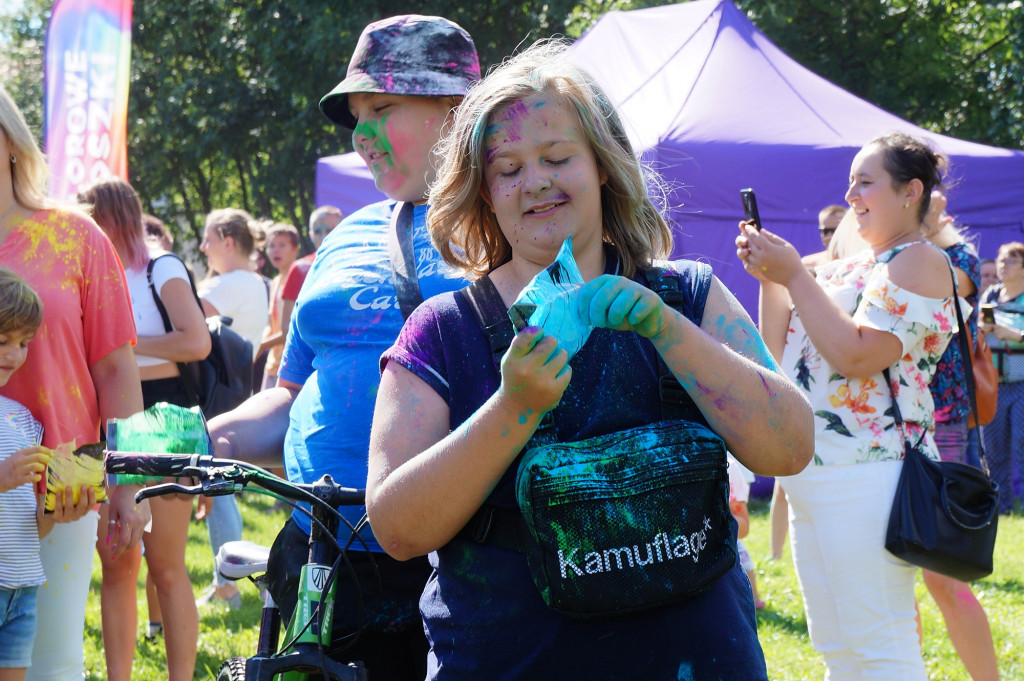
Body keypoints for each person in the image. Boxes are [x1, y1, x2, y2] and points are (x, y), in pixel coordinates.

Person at [366, 40, 812, 680]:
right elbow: (398, 529)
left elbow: (790, 448)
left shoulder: (688, 295)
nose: (537, 180)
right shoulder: (443, 330)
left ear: (602, 165)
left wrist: (666, 330)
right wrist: (512, 408)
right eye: (509, 169)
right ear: (484, 192)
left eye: (557, 157)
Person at [205, 15, 482, 678]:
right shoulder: (347, 236)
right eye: (355, 116)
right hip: (316, 554)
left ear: (457, 110)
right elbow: (291, 396)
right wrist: (209, 437)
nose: (361, 136)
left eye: (382, 108)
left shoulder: (515, 234)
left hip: (458, 564)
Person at [738, 131, 958, 679]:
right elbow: (777, 352)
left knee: (880, 644)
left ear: (910, 192)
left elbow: (858, 355)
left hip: (871, 473)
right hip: (812, 473)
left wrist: (791, 274)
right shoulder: (841, 265)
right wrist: (772, 279)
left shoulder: (921, 261)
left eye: (866, 181)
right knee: (836, 646)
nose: (852, 193)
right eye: (850, 181)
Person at [0, 84, 147, 681]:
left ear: (10, 141)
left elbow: (115, 369)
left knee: (49, 663)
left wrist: (128, 484)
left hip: (62, 487)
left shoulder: (76, 236)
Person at [76, 177, 209, 681]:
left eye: (90, 211)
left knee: (167, 567)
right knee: (116, 565)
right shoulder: (89, 265)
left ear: (112, 213)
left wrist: (123, 345)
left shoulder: (161, 265)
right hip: (110, 417)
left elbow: (196, 342)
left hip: (166, 418)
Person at [915, 192, 999, 681]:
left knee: (944, 575)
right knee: (898, 577)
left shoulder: (957, 259)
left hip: (943, 422)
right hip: (894, 427)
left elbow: (938, 288)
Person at [195, 207, 267, 610]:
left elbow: (183, 318)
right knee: (221, 486)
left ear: (227, 240)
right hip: (234, 385)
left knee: (217, 488)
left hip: (211, 390)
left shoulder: (228, 283)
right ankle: (227, 581)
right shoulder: (255, 281)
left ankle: (228, 585)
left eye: (208, 239)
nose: (203, 247)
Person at [0, 267, 55, 681]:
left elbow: (31, 527)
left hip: (23, 587)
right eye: (3, 341)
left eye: (23, 343)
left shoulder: (22, 419)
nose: (14, 355)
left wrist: (56, 510)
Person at [980, 241, 1024, 513]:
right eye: (1000, 260)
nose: (1002, 266)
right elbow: (982, 327)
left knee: (1023, 443)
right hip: (993, 383)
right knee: (993, 450)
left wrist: (1016, 336)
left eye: (1010, 261)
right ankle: (1002, 508)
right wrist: (983, 328)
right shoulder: (990, 296)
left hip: (1022, 383)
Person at [277, 206, 343, 348]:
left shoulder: (354, 265)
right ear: (310, 235)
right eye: (317, 232)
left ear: (342, 230)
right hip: (309, 356)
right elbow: (286, 326)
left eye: (329, 230)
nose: (324, 236)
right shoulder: (300, 268)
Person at [257, 222, 301, 391]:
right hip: (272, 365)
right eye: (271, 246)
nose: (275, 250)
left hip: (290, 367)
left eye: (282, 245)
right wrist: (260, 343)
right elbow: (271, 323)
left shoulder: (300, 278)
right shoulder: (275, 281)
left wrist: (260, 346)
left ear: (295, 249)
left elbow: (287, 330)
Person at [728, 456, 766, 610]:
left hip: (730, 540)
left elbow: (743, 527)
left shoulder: (729, 469)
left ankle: (754, 599)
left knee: (743, 557)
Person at [801, 203, 846, 272]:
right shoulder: (809, 264)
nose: (829, 236)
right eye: (825, 231)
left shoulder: (862, 261)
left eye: (835, 231)